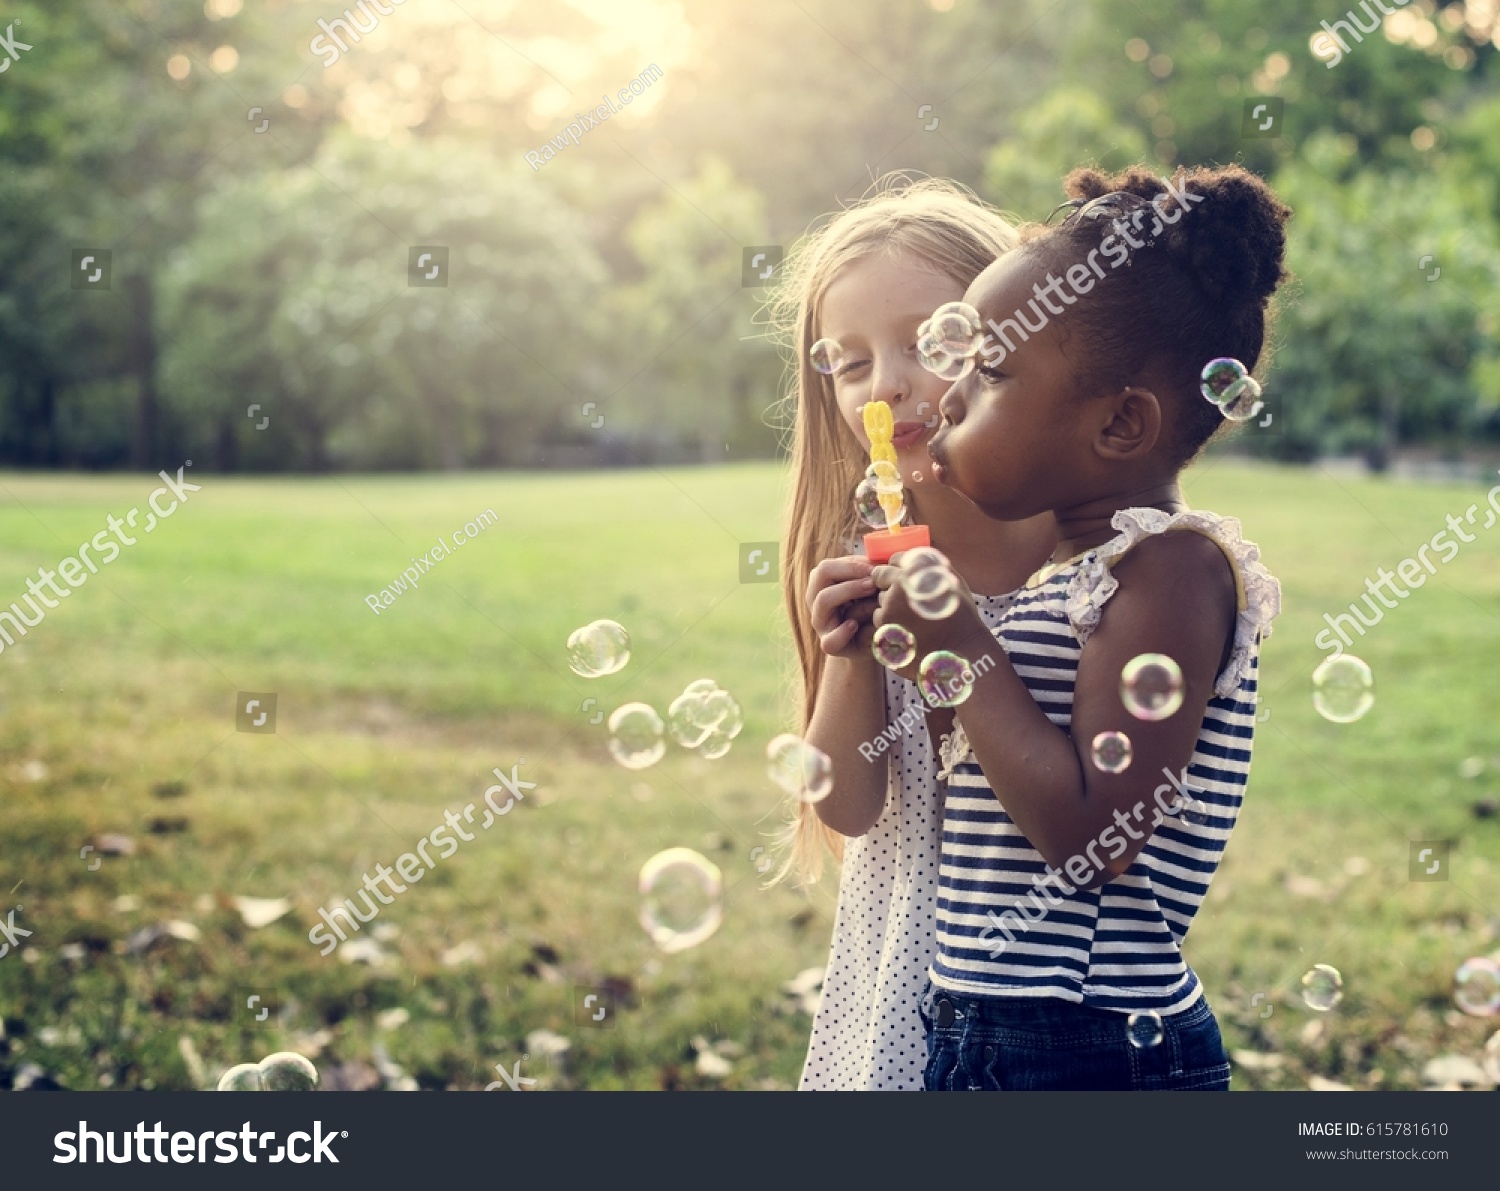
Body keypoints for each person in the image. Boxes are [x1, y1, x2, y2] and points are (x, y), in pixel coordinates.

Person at [874, 164, 1288, 1090]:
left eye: (991, 369)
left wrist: (966, 650)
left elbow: (1098, 837)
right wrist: (913, 644)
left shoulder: (1171, 571)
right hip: (989, 1026)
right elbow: (1001, 784)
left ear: (1119, 425)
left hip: (1085, 1042)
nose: (946, 395)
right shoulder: (1067, 580)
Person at [766, 177, 1053, 1090]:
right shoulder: (865, 559)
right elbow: (847, 807)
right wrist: (853, 659)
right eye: (851, 363)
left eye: (926, 341)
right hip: (892, 979)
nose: (887, 384)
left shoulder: (1075, 555)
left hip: (1038, 997)